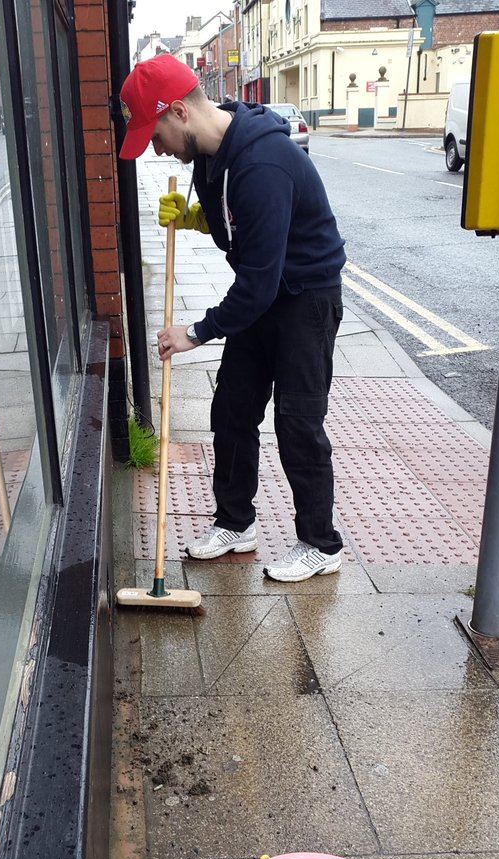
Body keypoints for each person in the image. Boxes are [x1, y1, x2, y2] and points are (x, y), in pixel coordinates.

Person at [119, 55, 346, 582]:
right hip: (265, 294)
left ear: (178, 112)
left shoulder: (261, 164)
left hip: (304, 299)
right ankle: (236, 522)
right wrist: (201, 218)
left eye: (155, 134)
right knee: (233, 408)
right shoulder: (210, 156)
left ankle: (320, 543)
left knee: (297, 422)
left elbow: (258, 282)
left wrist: (195, 332)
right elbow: (239, 226)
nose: (155, 149)